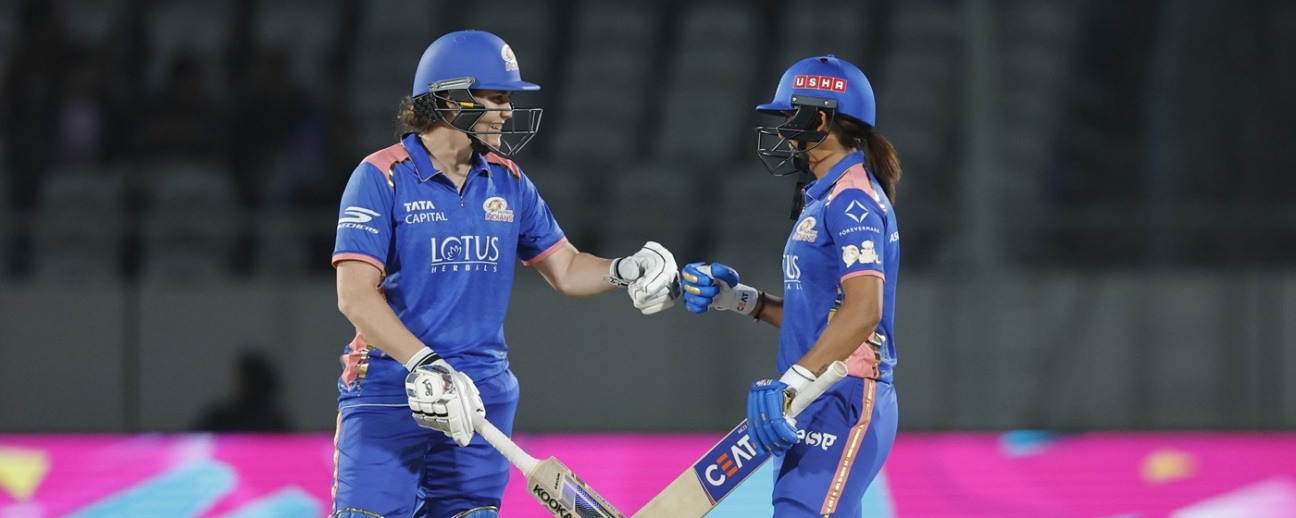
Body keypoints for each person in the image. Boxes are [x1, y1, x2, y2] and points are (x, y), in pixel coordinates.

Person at [328, 30, 679, 518]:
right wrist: (425, 364)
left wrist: (625, 268)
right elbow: (355, 296)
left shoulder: (509, 180)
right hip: (391, 389)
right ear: (449, 100)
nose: (508, 112)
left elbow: (566, 268)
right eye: (496, 98)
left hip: (481, 394)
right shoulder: (381, 175)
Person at [680, 55, 902, 517]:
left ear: (819, 119)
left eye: (788, 117)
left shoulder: (852, 199)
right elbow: (818, 316)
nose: (782, 132)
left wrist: (791, 384)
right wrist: (740, 300)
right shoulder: (827, 195)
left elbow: (864, 311)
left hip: (840, 395)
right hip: (817, 395)